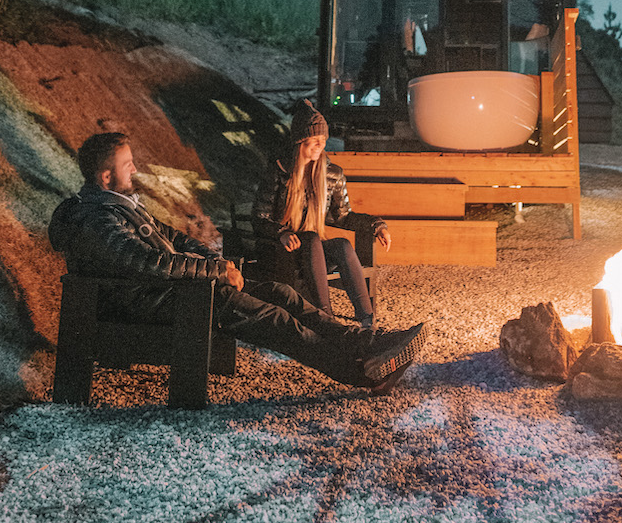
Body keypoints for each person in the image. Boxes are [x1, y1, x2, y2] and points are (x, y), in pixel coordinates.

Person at [48, 132, 426, 394]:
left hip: (178, 288)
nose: (135, 170)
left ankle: (366, 340)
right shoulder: (98, 218)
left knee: (280, 294)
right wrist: (214, 272)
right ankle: (361, 371)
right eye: (128, 164)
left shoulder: (119, 205)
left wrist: (216, 260)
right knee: (272, 317)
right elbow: (147, 262)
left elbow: (174, 239)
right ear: (105, 175)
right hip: (160, 299)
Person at [252, 102, 390, 327]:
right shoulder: (280, 172)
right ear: (300, 141)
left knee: (343, 245)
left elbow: (343, 216)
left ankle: (367, 321)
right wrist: (282, 232)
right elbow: (260, 216)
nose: (321, 145)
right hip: (283, 251)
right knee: (312, 238)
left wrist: (376, 225)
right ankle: (327, 321)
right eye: (315, 140)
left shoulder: (332, 175)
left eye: (323, 140)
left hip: (312, 252)